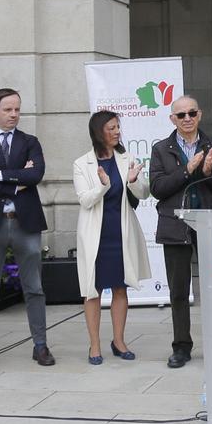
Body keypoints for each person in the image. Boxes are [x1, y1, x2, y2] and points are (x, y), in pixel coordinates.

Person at [0, 88, 53, 372]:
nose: (14, 114)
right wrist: (18, 180)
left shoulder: (30, 141)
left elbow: (36, 174)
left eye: (17, 109)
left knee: (35, 287)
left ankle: (40, 345)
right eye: (8, 110)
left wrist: (2, 175)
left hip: (25, 222)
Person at [149, 95, 212, 369]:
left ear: (200, 114)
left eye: (192, 113)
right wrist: (187, 170)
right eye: (181, 114)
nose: (187, 118)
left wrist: (209, 171)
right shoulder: (162, 149)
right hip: (176, 224)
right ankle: (181, 346)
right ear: (172, 119)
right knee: (178, 290)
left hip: (209, 223)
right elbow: (158, 188)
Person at [75, 110, 152, 363]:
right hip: (94, 235)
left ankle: (118, 341)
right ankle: (94, 345)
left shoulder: (127, 157)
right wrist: (102, 185)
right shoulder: (82, 163)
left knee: (120, 287)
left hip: (120, 233)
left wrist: (132, 181)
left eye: (118, 127)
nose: (117, 131)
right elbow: (85, 201)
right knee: (92, 291)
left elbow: (143, 193)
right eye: (111, 128)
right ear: (99, 132)